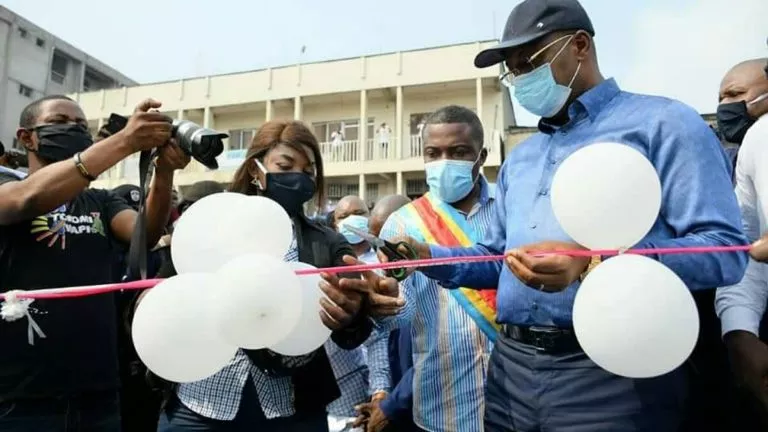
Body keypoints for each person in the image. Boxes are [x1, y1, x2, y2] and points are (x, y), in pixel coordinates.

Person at [390, 1, 748, 431]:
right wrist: (427, 254)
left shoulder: (665, 125)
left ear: (579, 45)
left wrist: (597, 262)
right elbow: (501, 257)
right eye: (513, 70)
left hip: (613, 374)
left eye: (531, 63)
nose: (522, 80)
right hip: (511, 373)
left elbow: (724, 251)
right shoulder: (522, 160)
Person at [157, 120, 402, 432]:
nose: (298, 177)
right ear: (255, 169)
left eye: (308, 171)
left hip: (292, 410)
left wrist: (355, 308)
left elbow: (351, 323)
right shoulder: (210, 223)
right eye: (285, 165)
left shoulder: (326, 241)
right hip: (201, 403)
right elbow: (165, 292)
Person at [0, 95, 188, 431]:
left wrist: (164, 171)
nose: (74, 130)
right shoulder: (7, 190)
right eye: (61, 122)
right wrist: (125, 140)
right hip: (19, 399)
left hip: (97, 396)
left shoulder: (101, 201)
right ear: (27, 137)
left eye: (80, 125)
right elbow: (26, 199)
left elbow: (143, 234)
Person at [375, 105, 497, 432]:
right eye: (433, 153)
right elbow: (400, 314)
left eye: (458, 152)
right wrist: (385, 302)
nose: (444, 161)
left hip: (514, 400)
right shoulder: (402, 224)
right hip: (443, 404)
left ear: (481, 156)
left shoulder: (508, 208)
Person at [715, 57, 768, 429]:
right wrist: (739, 331)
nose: (725, 107)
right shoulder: (757, 140)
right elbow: (744, 248)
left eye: (735, 95)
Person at [325, 195, 391, 432]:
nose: (351, 220)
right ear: (334, 225)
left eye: (358, 213)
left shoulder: (387, 264)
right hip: (344, 393)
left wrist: (381, 392)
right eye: (343, 216)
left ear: (369, 217)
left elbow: (380, 335)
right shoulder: (328, 268)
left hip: (388, 380)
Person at [354, 194, 416, 432]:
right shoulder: (383, 283)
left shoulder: (437, 281)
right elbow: (379, 343)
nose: (382, 257)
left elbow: (437, 355)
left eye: (388, 245)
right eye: (376, 246)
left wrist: (389, 407)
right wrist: (380, 395)